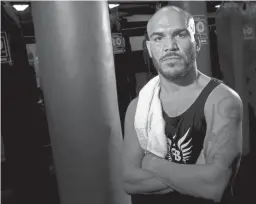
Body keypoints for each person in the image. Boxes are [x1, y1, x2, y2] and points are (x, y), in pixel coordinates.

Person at [122, 6, 243, 204]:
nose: (170, 46)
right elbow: (129, 181)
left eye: (179, 34)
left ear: (196, 41)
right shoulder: (138, 106)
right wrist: (194, 176)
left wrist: (150, 163)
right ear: (150, 48)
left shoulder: (221, 101)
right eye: (158, 38)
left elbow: (214, 184)